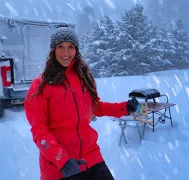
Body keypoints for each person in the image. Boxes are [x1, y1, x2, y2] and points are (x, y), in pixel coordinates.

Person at [24, 25, 139, 180]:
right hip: (59, 168)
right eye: (60, 47)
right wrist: (62, 160)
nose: (66, 52)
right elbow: (40, 131)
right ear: (53, 50)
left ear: (76, 50)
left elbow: (95, 107)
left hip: (91, 158)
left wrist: (124, 107)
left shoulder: (83, 78)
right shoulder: (41, 85)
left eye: (70, 47)